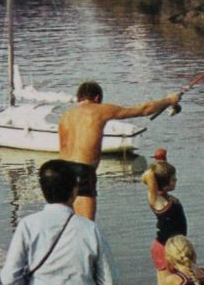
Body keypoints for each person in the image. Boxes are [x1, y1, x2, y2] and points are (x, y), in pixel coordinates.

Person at [57, 81, 182, 221]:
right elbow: (144, 109)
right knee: (85, 225)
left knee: (63, 222)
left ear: (79, 97)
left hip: (61, 171)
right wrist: (169, 100)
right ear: (97, 98)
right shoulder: (99, 110)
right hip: (82, 171)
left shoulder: (65, 116)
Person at [143, 159, 188, 285]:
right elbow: (149, 176)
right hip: (164, 247)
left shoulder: (167, 197)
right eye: (173, 179)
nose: (176, 180)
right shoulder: (157, 200)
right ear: (164, 183)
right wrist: (154, 171)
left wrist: (163, 165)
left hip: (174, 247)